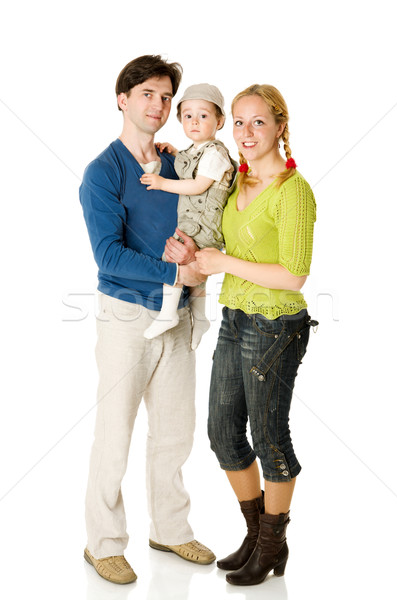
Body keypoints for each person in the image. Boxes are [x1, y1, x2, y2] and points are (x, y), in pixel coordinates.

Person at [79, 55, 215, 586]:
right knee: (114, 434)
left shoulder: (174, 163)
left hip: (177, 318)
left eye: (165, 97)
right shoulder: (104, 171)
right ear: (122, 99)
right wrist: (172, 275)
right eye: (147, 95)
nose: (157, 106)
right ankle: (103, 544)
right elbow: (107, 256)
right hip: (126, 318)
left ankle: (172, 530)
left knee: (175, 434)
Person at [195, 84, 318, 586]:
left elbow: (294, 274)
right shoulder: (235, 183)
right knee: (223, 432)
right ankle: (257, 535)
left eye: (258, 122)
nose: (246, 133)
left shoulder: (294, 191)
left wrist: (222, 262)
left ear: (280, 128)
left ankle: (271, 545)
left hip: (276, 326)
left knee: (269, 438)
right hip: (235, 318)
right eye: (239, 123)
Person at [140, 84, 237, 349]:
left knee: (172, 259)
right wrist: (174, 151)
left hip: (204, 223)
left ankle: (168, 314)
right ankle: (201, 318)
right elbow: (189, 165)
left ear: (219, 121)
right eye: (188, 116)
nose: (194, 121)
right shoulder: (196, 150)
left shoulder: (215, 153)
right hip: (194, 220)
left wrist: (161, 182)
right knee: (195, 274)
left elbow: (197, 185)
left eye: (203, 116)